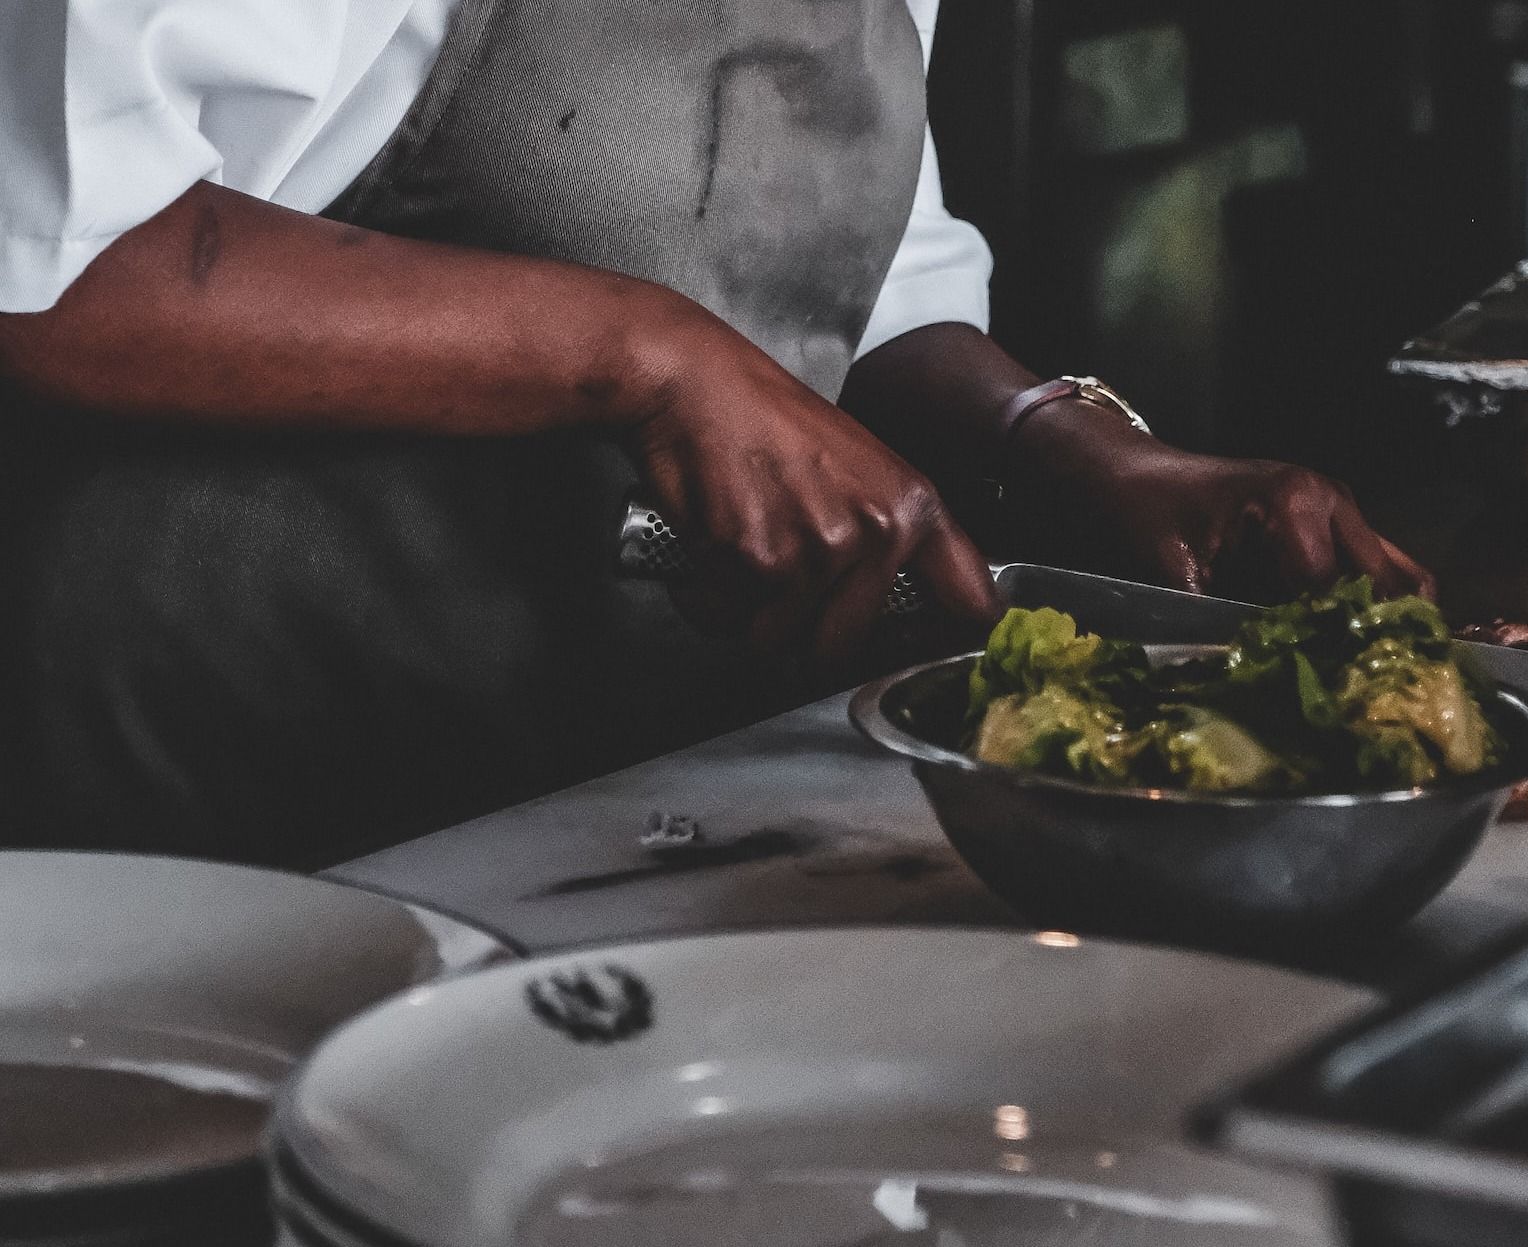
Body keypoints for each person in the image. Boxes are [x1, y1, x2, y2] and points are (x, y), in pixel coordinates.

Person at [0, 0, 1432, 865]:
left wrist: (1059, 436)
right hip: (227, 797)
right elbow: (61, 272)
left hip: (612, 789)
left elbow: (849, 261)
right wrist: (641, 354)